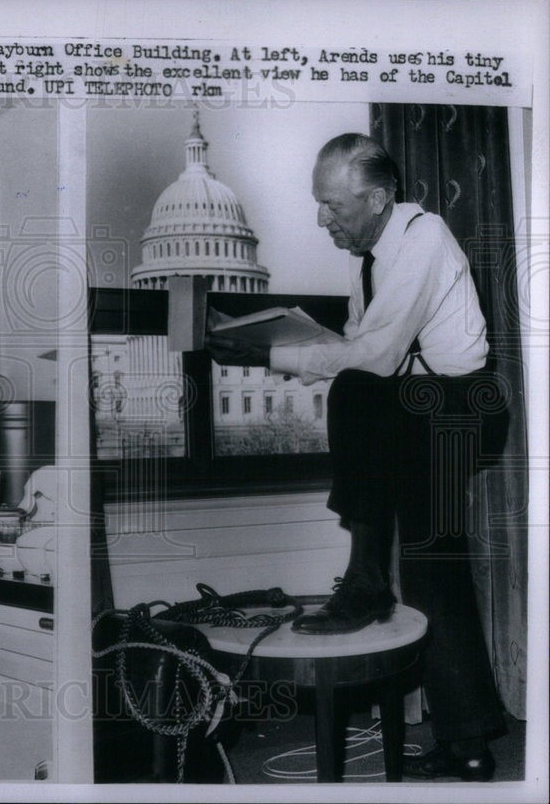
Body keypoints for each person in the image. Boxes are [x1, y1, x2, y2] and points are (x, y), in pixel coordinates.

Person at [205, 133, 504, 781]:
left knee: (357, 391)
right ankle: (469, 740)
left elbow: (375, 359)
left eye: (332, 205)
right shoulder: (366, 254)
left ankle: (365, 579)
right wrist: (283, 338)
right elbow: (363, 342)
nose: (322, 219)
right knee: (433, 563)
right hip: (416, 410)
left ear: (378, 196)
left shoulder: (423, 239)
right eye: (319, 203)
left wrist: (272, 356)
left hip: (460, 409)